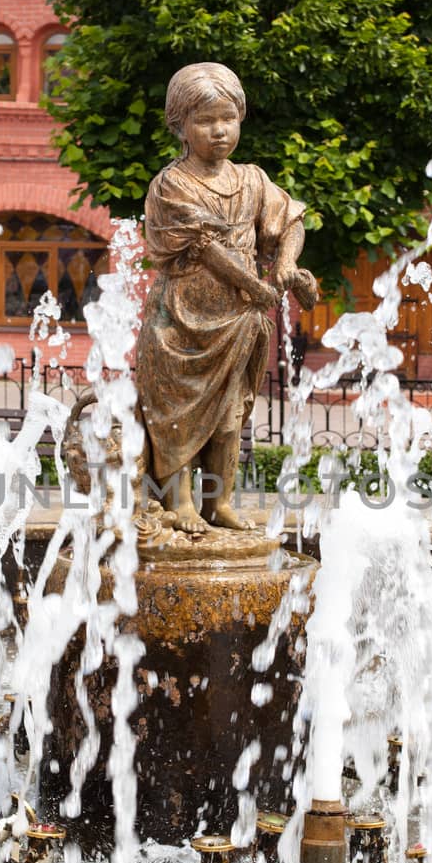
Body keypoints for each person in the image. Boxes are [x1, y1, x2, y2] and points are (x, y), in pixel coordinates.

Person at [135, 61, 318, 532]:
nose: (219, 131)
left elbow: (290, 220)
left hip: (239, 322)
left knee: (229, 415)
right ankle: (179, 504)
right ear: (180, 125)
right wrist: (255, 286)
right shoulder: (171, 184)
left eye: (228, 118)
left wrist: (285, 264)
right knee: (178, 412)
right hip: (181, 322)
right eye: (205, 121)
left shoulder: (253, 179)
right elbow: (206, 246)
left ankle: (220, 503)